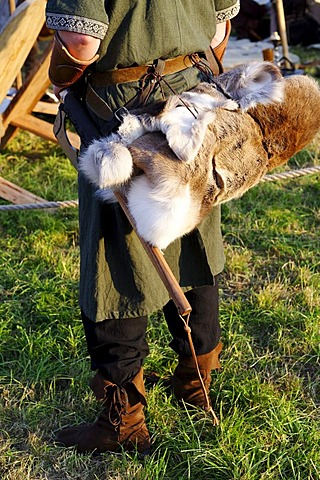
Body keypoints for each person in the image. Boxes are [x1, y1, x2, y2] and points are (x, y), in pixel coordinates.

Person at [45, 0, 240, 454]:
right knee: (193, 234)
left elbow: (81, 40)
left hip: (123, 114)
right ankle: (196, 384)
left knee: (119, 258)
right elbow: (219, 27)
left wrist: (61, 81)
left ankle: (124, 423)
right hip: (194, 103)